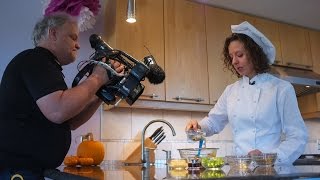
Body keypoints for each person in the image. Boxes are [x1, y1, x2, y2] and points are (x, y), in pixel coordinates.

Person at [0, 12, 123, 179]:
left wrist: (101, 94)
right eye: (73, 37)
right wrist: (97, 78)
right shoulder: (35, 60)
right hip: (17, 171)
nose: (78, 45)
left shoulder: (47, 65)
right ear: (53, 33)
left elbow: (70, 120)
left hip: (28, 170)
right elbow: (58, 111)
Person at [186, 21, 308, 165]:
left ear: (255, 54)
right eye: (231, 57)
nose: (234, 62)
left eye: (239, 55)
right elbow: (213, 122)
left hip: (272, 170)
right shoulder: (231, 91)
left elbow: (297, 136)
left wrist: (270, 158)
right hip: (240, 169)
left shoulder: (281, 89)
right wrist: (198, 127)